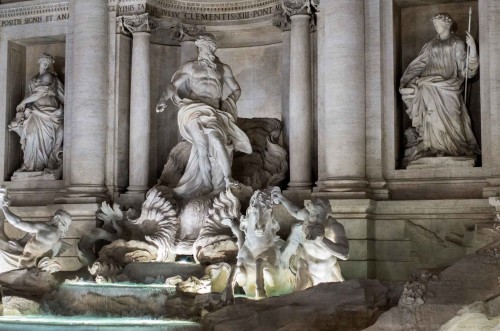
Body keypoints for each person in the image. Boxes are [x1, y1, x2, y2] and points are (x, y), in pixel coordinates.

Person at [156, 34, 252, 198]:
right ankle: (207, 184)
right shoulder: (191, 67)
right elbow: (173, 85)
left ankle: (228, 178)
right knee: (201, 146)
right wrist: (163, 100)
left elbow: (236, 89)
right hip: (193, 108)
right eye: (200, 48)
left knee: (216, 140)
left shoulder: (223, 69)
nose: (203, 51)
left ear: (212, 48)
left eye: (206, 47)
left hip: (213, 111)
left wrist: (229, 102)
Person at [400, 13, 480, 165]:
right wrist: (407, 80)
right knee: (430, 115)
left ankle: (455, 147)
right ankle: (433, 147)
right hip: (429, 84)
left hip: (450, 86)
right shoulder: (430, 45)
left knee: (453, 117)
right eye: (435, 25)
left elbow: (466, 71)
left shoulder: (457, 43)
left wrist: (473, 49)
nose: (436, 28)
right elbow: (419, 64)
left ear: (447, 25)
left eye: (438, 25)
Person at [272, 190, 349, 291]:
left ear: (327, 215)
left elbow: (345, 254)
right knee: (297, 294)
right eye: (312, 214)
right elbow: (295, 211)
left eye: (318, 216)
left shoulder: (334, 227)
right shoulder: (307, 216)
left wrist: (322, 240)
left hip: (326, 269)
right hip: (305, 265)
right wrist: (281, 198)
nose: (314, 218)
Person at [9, 53, 64, 176]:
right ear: (39, 62)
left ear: (50, 65)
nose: (45, 65)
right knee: (31, 135)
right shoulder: (34, 78)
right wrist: (26, 108)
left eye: (47, 63)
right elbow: (30, 95)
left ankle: (40, 165)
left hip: (48, 113)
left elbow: (39, 94)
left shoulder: (49, 76)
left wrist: (23, 102)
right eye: (43, 62)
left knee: (44, 139)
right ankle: (29, 165)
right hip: (34, 111)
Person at [0, 188, 71, 269]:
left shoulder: (47, 229)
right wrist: (19, 248)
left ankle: (1, 201)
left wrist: (5, 206)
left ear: (57, 218)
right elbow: (37, 253)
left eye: (53, 216)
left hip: (24, 263)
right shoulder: (58, 241)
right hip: (27, 264)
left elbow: (17, 222)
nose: (50, 217)